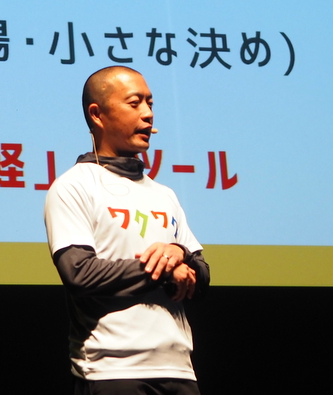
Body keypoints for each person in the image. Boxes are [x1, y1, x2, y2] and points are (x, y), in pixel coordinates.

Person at [44, 66, 210, 395]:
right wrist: (165, 271)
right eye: (135, 103)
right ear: (97, 114)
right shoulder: (74, 186)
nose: (148, 114)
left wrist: (179, 253)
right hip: (112, 371)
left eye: (150, 103)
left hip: (179, 369)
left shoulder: (164, 194)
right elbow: (79, 274)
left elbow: (201, 274)